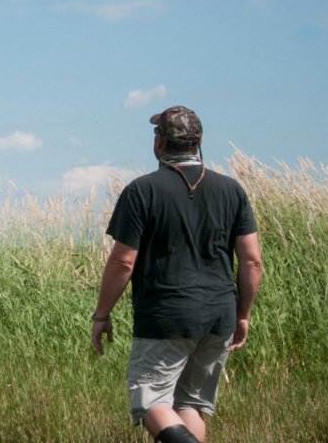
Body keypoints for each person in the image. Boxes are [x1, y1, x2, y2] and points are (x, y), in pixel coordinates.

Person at [91, 106, 265, 443]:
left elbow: (123, 262)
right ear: (198, 143)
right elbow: (252, 261)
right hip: (219, 316)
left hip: (166, 315)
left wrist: (102, 314)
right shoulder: (232, 191)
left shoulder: (142, 191)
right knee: (189, 405)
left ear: (160, 144)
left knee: (151, 398)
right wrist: (242, 314)